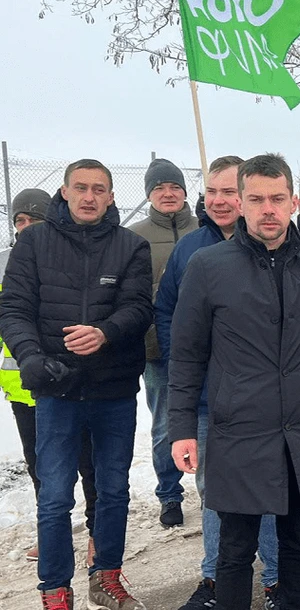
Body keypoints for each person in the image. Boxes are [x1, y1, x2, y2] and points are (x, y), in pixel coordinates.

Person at [168, 154, 300, 610]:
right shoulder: (207, 266)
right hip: (240, 430)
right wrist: (182, 426)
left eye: (278, 199)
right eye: (257, 199)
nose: (268, 209)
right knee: (236, 551)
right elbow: (186, 357)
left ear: (293, 202)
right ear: (240, 203)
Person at [0, 159, 153, 610]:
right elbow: (14, 310)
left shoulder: (131, 246)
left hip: (113, 391)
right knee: (54, 496)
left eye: (99, 189)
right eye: (81, 188)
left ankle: (106, 577)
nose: (89, 196)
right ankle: (54, 591)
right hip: (56, 390)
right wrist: (30, 357)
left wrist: (105, 332)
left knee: (113, 491)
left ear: (110, 196)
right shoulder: (33, 244)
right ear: (64, 193)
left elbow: (139, 309)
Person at [155, 156, 281, 610]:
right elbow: (169, 314)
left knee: (269, 489)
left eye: (230, 191)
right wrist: (193, 368)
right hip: (211, 400)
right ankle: (213, 580)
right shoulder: (192, 250)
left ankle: (275, 578)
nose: (220, 200)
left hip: (264, 401)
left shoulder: (277, 244)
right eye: (213, 191)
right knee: (215, 492)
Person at [1, 188, 98, 566]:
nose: (25, 228)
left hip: (72, 385)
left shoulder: (63, 258)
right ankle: (50, 534)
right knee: (40, 468)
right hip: (24, 389)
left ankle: (96, 533)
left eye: (33, 220)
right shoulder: (5, 265)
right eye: (19, 221)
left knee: (86, 462)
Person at [128, 158, 199, 528]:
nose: (167, 193)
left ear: (185, 191)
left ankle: (213, 486)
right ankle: (169, 494)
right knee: (166, 424)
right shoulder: (135, 236)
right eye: (159, 188)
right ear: (149, 195)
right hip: (157, 347)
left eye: (174, 186)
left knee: (209, 419)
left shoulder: (204, 228)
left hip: (207, 345)